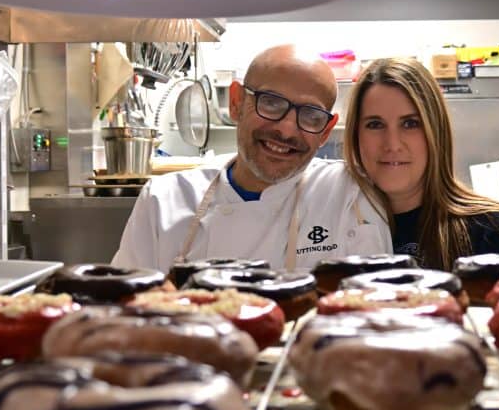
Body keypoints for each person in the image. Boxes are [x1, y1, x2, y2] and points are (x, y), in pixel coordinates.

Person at [112, 45, 392, 272]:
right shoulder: (163, 200)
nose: (285, 129)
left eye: (310, 115)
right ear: (236, 102)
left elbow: (373, 314)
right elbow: (127, 313)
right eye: (270, 102)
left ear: (325, 132)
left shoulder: (350, 194)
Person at [343, 57, 499, 271]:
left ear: (436, 131)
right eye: (375, 124)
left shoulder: (494, 232)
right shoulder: (334, 229)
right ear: (355, 135)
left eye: (410, 123)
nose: (392, 144)